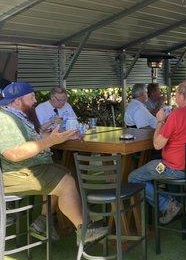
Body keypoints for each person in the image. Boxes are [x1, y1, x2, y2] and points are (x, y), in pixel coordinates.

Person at [0, 82, 107, 243]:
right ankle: (84, 229)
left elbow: (35, 139)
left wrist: (61, 138)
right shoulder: (5, 119)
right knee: (66, 182)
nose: (35, 100)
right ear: (17, 100)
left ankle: (43, 221)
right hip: (16, 173)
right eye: (31, 97)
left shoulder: (17, 115)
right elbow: (13, 154)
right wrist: (49, 141)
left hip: (29, 167)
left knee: (64, 172)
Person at [128, 81, 186, 224]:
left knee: (133, 177)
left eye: (175, 94)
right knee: (153, 166)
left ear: (181, 95)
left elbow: (156, 145)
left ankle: (167, 205)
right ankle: (172, 201)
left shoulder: (177, 115)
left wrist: (161, 121)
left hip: (175, 169)